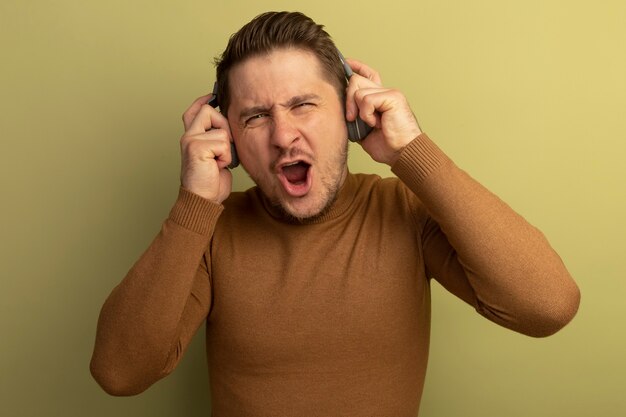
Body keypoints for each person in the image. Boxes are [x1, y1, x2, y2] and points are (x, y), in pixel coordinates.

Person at [90, 11, 580, 416]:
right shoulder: (212, 235)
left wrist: (412, 150)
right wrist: (194, 205)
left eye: (303, 104)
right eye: (256, 117)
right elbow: (119, 372)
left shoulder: (403, 212)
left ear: (350, 112)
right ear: (229, 137)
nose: (283, 136)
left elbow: (547, 306)